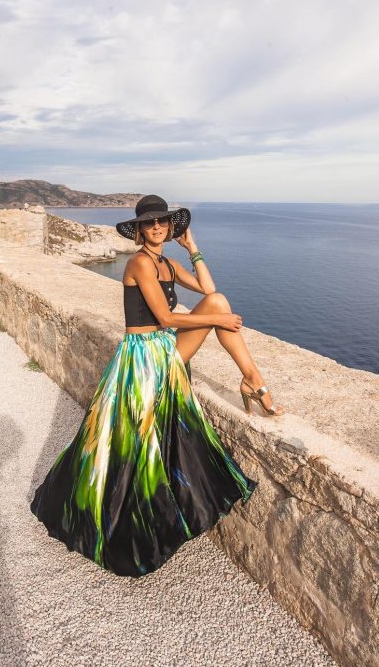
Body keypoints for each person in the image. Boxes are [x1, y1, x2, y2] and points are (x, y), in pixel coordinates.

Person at [30, 195, 284, 578]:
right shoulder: (139, 263)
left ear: (170, 226)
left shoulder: (167, 262)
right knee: (220, 312)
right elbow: (165, 316)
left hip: (164, 348)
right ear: (140, 230)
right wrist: (223, 318)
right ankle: (254, 385)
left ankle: (252, 379)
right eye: (150, 224)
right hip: (143, 357)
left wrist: (193, 247)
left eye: (163, 223)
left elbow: (206, 288)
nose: (157, 228)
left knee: (218, 301)